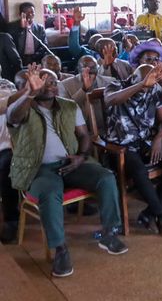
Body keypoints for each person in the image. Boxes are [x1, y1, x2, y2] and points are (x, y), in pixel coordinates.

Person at [8, 65, 126, 278]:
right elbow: (14, 118)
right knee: (50, 192)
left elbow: (83, 136)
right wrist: (30, 93)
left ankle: (109, 233)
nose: (51, 87)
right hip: (38, 170)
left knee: (106, 177)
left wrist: (81, 156)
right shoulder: (22, 107)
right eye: (45, 82)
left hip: (71, 164)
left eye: (54, 83)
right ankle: (60, 249)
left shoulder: (69, 106)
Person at [103, 64, 162, 236]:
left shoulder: (154, 90)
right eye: (142, 81)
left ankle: (149, 212)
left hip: (146, 142)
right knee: (139, 171)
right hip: (121, 146)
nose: (148, 87)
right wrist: (142, 84)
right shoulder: (116, 85)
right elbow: (111, 100)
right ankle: (161, 214)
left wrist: (158, 138)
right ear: (132, 78)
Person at [58, 55, 115, 133]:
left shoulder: (109, 82)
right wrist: (83, 89)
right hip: (81, 132)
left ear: (98, 68)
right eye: (85, 67)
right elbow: (66, 109)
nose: (89, 70)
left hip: (108, 130)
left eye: (93, 68)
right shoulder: (64, 85)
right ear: (78, 69)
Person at [0, 65, 19, 243]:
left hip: (7, 145)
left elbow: (9, 104)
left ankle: (12, 220)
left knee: (7, 165)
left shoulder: (7, 85)